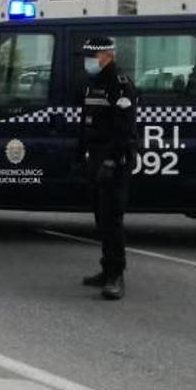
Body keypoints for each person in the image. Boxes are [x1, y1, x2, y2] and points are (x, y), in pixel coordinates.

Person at [77, 36, 138, 300]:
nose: (88, 61)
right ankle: (106, 269)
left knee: (112, 218)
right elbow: (87, 122)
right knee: (101, 218)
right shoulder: (94, 84)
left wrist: (112, 161)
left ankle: (116, 275)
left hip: (114, 159)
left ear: (107, 56)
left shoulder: (120, 85)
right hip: (96, 157)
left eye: (92, 56)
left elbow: (124, 129)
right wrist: (79, 152)